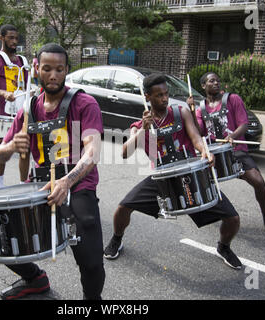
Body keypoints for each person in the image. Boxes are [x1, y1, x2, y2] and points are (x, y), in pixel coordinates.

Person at [0, 43, 105, 300]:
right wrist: (10, 146)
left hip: (77, 183)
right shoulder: (27, 108)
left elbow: (93, 153)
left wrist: (67, 181)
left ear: (67, 70)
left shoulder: (84, 103)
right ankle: (35, 279)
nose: (53, 75)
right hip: (40, 185)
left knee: (91, 260)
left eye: (59, 69)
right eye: (47, 69)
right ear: (37, 69)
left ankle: (92, 299)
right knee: (3, 237)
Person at [104, 73, 243, 270]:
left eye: (166, 94)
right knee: (123, 208)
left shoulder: (181, 112)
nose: (164, 98)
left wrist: (205, 151)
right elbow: (125, 152)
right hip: (162, 178)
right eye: (158, 95)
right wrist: (143, 129)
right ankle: (117, 239)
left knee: (233, 218)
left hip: (190, 174)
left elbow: (196, 138)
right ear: (147, 97)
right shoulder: (139, 125)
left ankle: (224, 247)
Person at [187, 72, 265, 238]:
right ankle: (210, 214)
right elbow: (199, 131)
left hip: (236, 151)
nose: (216, 83)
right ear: (203, 86)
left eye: (217, 80)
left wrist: (233, 136)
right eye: (211, 81)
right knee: (201, 183)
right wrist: (192, 111)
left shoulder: (233, 99)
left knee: (258, 182)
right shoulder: (201, 107)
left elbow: (244, 124)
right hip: (214, 154)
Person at [0, 24, 29, 188]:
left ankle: (23, 184)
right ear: (1, 38)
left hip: (22, 113)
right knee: (1, 151)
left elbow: (27, 85)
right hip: (2, 112)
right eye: (11, 38)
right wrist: (3, 93)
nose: (14, 41)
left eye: (16, 38)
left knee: (25, 150)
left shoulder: (23, 61)